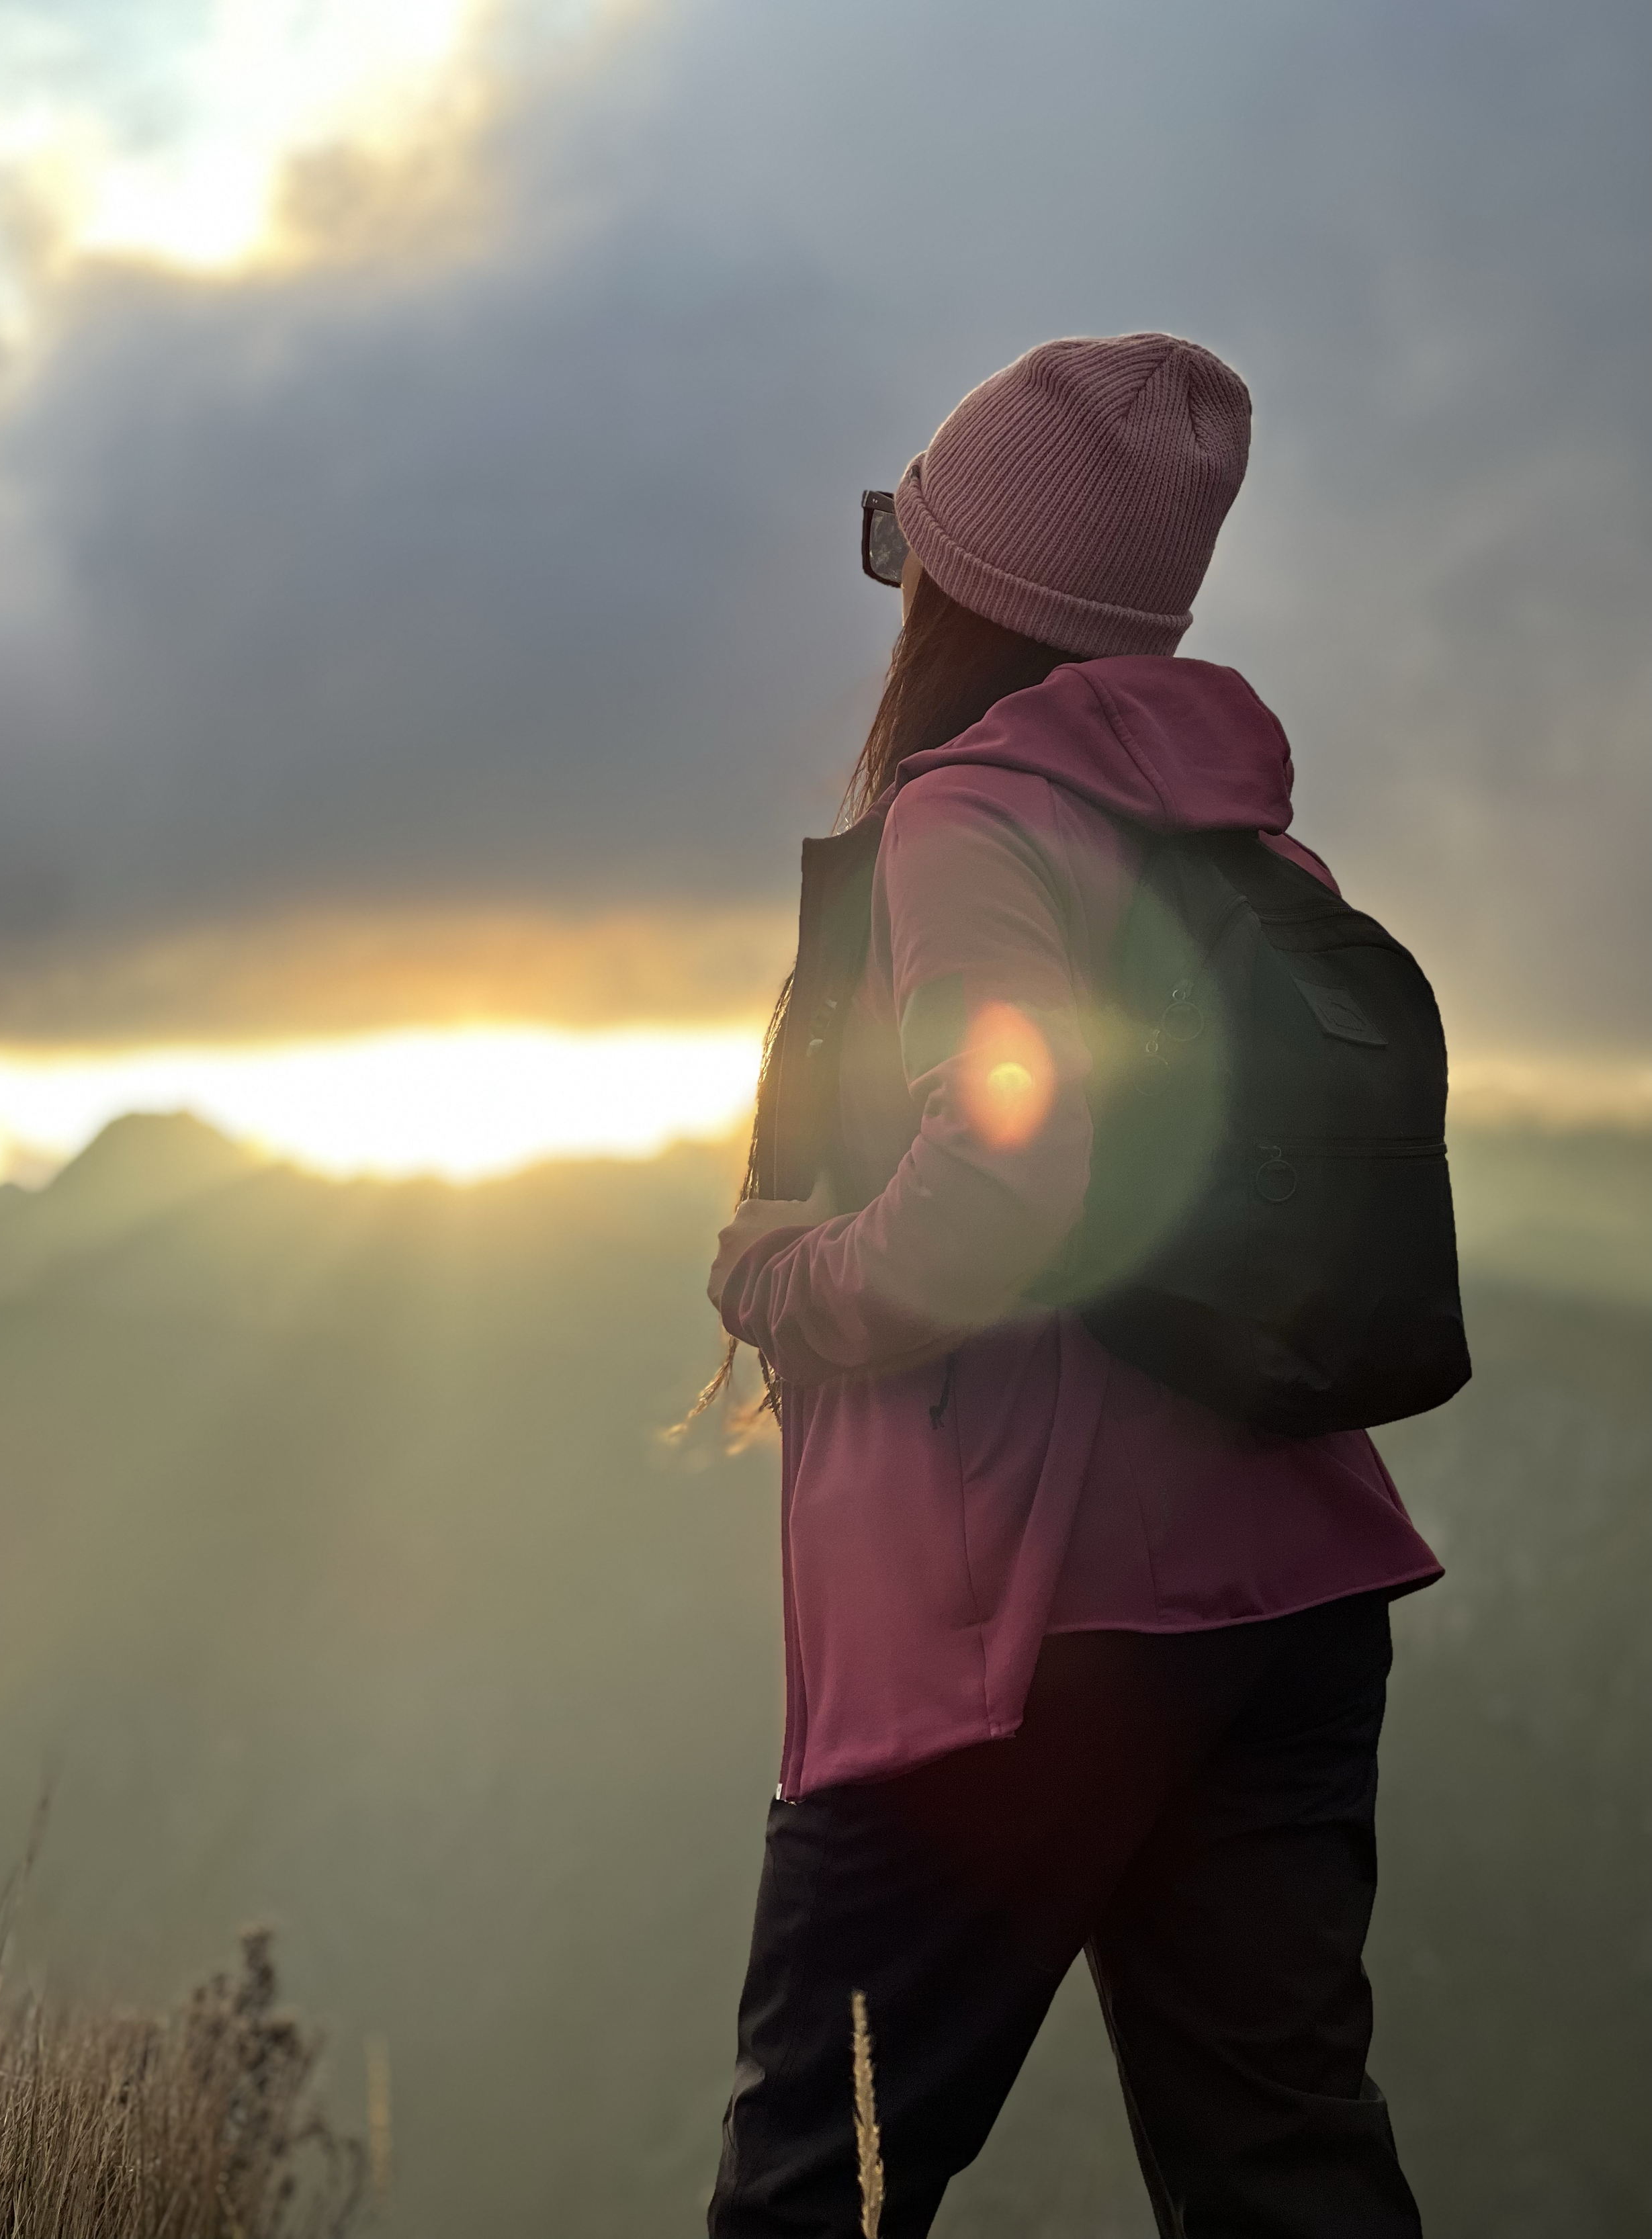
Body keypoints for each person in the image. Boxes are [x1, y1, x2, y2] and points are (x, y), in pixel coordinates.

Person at [703, 334, 1440, 2236]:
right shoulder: (1240, 832)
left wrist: (798, 1285)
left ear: (966, 590)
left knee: (819, 2180)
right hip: (1289, 1586)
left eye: (906, 545)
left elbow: (1008, 1163)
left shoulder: (970, 819)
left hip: (1012, 1639)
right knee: (1285, 2171)